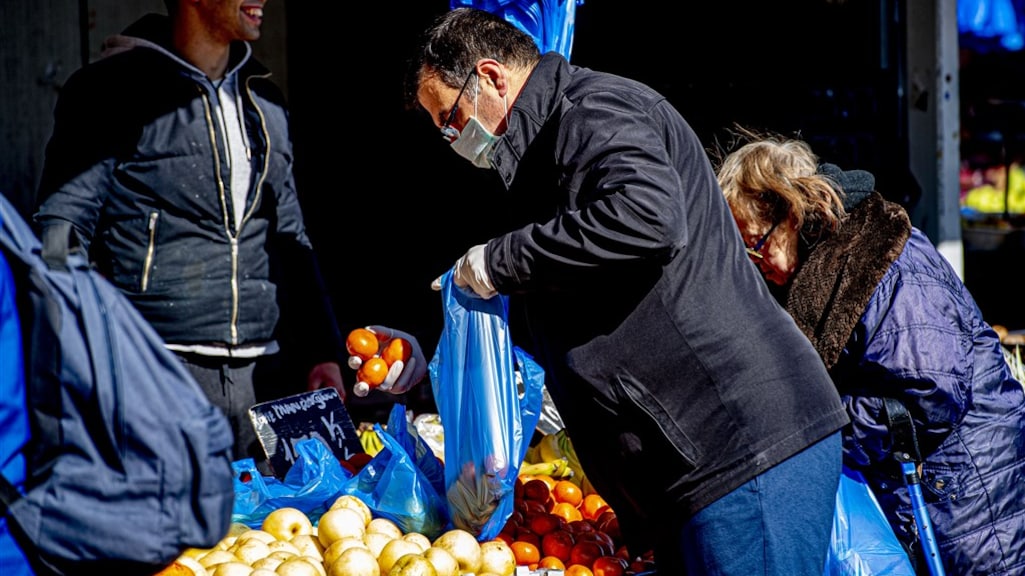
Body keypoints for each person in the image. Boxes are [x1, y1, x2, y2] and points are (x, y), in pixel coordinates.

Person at [405, 8, 850, 575]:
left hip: (739, 447)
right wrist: (434, 356)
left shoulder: (594, 111)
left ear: (490, 77)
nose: (450, 139)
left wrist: (500, 259)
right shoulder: (543, 155)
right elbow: (569, 296)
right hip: (696, 463)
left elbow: (647, 217)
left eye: (450, 118)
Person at [33, 0, 425, 468]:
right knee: (167, 536)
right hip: (156, 371)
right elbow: (61, 231)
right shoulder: (110, 91)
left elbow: (289, 235)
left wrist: (322, 352)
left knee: (264, 535)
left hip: (265, 378)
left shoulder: (265, 100)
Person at [715, 131, 1025, 576]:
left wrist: (820, 424)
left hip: (968, 498)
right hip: (937, 494)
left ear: (790, 215)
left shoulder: (882, 258)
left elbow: (930, 392)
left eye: (755, 244)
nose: (753, 260)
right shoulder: (832, 266)